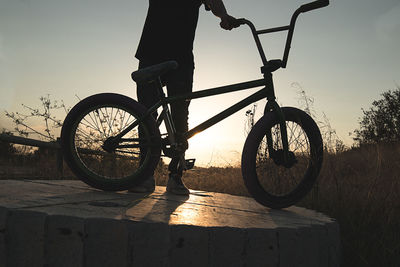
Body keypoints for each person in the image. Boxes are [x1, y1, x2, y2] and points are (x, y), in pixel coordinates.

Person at [129, 0, 239, 195]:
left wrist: (223, 16)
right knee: (147, 115)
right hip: (152, 53)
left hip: (181, 59)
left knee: (180, 116)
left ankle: (176, 176)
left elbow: (214, 1)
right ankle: (144, 175)